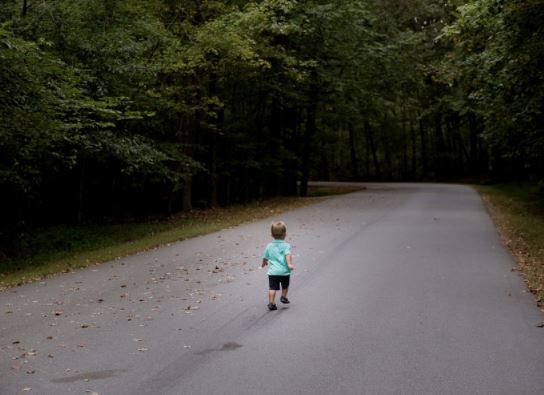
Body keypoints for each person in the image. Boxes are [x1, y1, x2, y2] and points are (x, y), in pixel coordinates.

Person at [262, 221, 294, 310]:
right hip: (284, 272)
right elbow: (288, 254)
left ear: (272, 234)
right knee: (285, 286)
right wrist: (289, 264)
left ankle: (271, 303)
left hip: (273, 272)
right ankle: (283, 297)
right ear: (285, 233)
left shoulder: (269, 246)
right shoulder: (286, 245)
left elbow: (265, 256)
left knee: (272, 288)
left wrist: (264, 262)